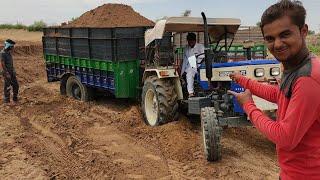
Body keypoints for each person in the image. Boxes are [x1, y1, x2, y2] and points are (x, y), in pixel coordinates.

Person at [228, 0, 320, 179]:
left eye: (284, 35)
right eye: (270, 38)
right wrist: (242, 80)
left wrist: (249, 106)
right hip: (292, 172)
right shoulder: (296, 66)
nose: (277, 44)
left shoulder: (308, 78)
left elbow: (285, 137)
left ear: (303, 31)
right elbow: (279, 95)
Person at [180, 32, 204, 97]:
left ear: (195, 40)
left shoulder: (200, 46)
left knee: (190, 72)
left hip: (199, 65)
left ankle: (190, 92)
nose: (190, 43)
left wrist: (196, 60)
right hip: (189, 66)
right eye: (189, 41)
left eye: (191, 41)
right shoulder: (186, 48)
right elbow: (185, 60)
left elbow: (203, 56)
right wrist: (181, 72)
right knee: (184, 74)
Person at [1, 39, 19, 105]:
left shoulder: (8, 52)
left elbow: (11, 63)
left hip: (11, 72)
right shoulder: (2, 53)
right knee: (7, 86)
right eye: (12, 47)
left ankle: (15, 98)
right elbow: (2, 64)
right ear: (8, 46)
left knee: (16, 85)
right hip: (7, 72)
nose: (13, 48)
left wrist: (13, 70)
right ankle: (7, 101)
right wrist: (7, 73)